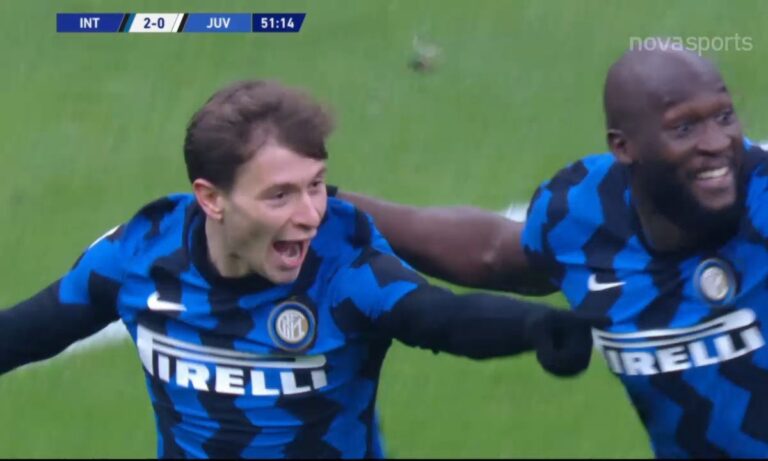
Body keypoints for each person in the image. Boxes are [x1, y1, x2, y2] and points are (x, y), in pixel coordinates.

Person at [0, 80, 597, 459]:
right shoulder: (141, 254)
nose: (311, 214)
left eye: (316, 185)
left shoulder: (343, 266)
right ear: (211, 198)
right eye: (280, 195)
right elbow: (28, 331)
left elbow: (438, 317)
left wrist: (532, 328)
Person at [337, 48, 768, 458]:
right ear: (623, 147)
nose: (717, 142)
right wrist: (325, 205)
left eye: (724, 116)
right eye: (684, 128)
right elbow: (490, 253)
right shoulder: (584, 217)